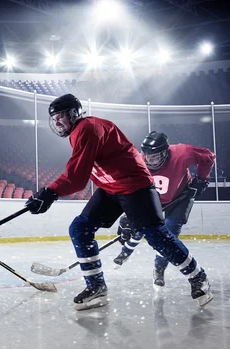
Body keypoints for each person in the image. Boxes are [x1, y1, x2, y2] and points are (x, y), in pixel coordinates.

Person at [23, 93, 212, 311]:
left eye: (61, 115)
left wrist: (49, 192)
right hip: (111, 188)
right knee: (80, 228)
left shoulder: (87, 128)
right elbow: (81, 174)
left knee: (156, 236)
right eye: (54, 118)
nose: (57, 121)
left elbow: (77, 177)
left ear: (74, 113)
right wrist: (50, 192)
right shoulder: (78, 132)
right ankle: (96, 287)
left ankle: (198, 277)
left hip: (135, 186)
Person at [112, 131, 215, 288]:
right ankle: (125, 253)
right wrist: (128, 214)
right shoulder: (137, 162)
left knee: (168, 234)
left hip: (181, 197)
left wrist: (202, 179)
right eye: (146, 155)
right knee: (139, 227)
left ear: (166, 153)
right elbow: (128, 189)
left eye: (154, 156)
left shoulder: (182, 153)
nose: (149, 160)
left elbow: (208, 156)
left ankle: (159, 268)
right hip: (155, 199)